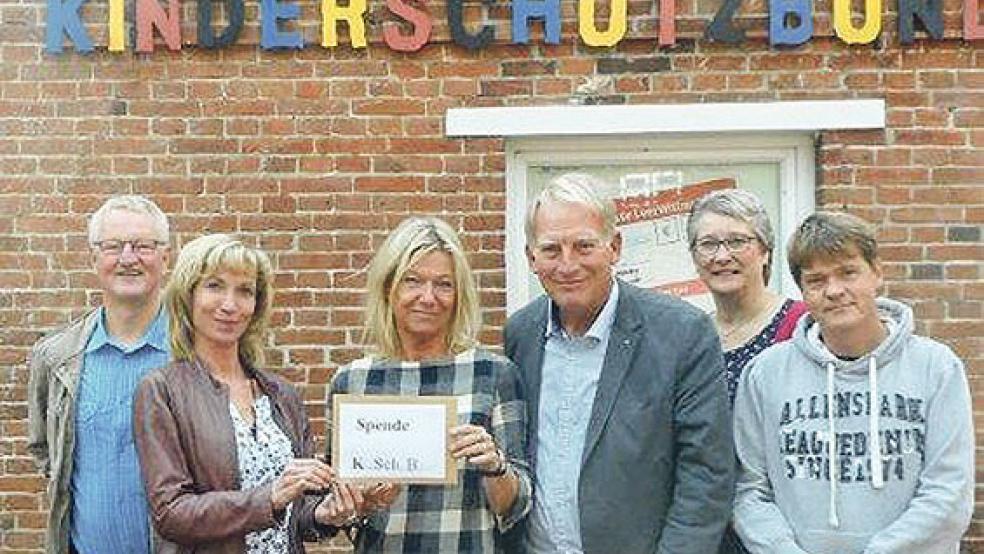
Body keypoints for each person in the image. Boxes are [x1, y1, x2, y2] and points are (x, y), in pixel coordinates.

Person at [505, 173, 734, 554]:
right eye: (551, 250)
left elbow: (706, 476)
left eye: (583, 246)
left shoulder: (682, 333)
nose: (567, 264)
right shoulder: (521, 334)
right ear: (530, 257)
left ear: (615, 246)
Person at [733, 211, 974, 554]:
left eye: (848, 273)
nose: (834, 291)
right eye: (816, 280)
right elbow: (749, 490)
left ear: (876, 272)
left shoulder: (936, 368)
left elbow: (949, 491)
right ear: (802, 289)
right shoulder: (764, 374)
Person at [133, 234, 362, 553]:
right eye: (214, 286)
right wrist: (269, 497)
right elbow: (171, 514)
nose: (230, 305)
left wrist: (324, 514)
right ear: (188, 296)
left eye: (244, 291)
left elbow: (300, 515)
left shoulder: (282, 395)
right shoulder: (161, 390)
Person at [327, 216, 533, 553]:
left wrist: (495, 466)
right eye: (412, 281)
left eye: (443, 284)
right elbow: (338, 510)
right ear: (388, 287)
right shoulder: (352, 381)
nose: (428, 297)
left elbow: (517, 506)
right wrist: (360, 502)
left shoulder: (493, 374)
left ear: (459, 294)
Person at [28, 195, 172, 554]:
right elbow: (48, 452)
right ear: (94, 259)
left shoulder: (196, 355)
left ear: (165, 257)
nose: (128, 258)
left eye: (143, 246)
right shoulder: (57, 358)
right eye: (112, 247)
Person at [688, 189, 807, 406]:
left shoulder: (803, 325)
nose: (722, 257)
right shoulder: (692, 336)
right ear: (695, 259)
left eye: (737, 241)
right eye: (708, 244)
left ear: (765, 252)